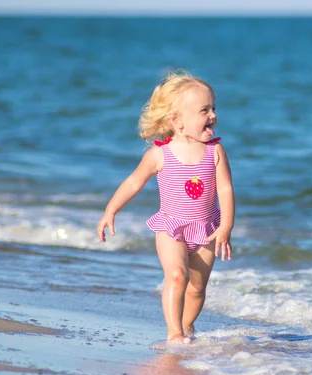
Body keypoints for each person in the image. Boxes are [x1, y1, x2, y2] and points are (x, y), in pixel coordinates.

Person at [97, 71, 235, 344]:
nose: (213, 116)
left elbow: (226, 189)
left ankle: (186, 327)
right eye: (204, 110)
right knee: (176, 275)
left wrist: (226, 227)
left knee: (197, 289)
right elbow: (134, 182)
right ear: (177, 120)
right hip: (171, 227)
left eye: (214, 108)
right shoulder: (160, 154)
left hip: (206, 229)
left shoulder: (215, 152)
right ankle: (173, 332)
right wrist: (111, 210)